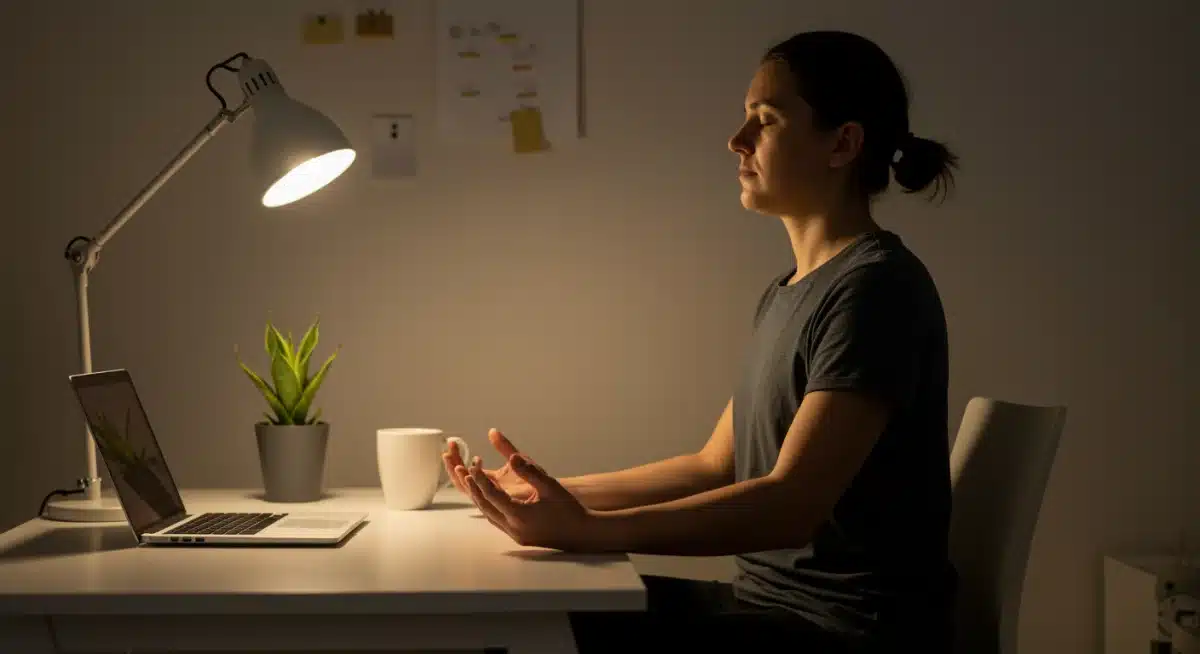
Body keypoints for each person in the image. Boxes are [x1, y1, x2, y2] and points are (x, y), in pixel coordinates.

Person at [443, 29, 959, 653]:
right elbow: (714, 466)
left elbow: (791, 506)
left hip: (839, 630)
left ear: (842, 143)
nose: (737, 140)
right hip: (764, 606)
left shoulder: (874, 289)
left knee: (523, 624)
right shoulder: (791, 291)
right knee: (519, 603)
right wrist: (546, 492)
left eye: (766, 120)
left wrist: (586, 530)